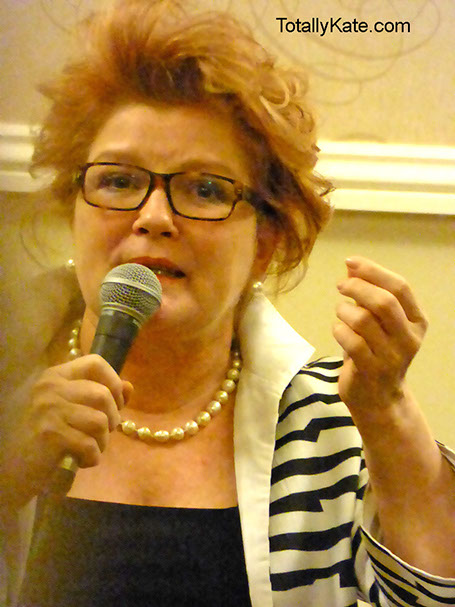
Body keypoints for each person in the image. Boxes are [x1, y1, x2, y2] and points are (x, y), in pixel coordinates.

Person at [0, 1, 454, 605]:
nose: (153, 217)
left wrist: (387, 412)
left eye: (205, 189)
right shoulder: (10, 388)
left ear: (265, 244)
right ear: (74, 207)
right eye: (119, 180)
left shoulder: (333, 425)